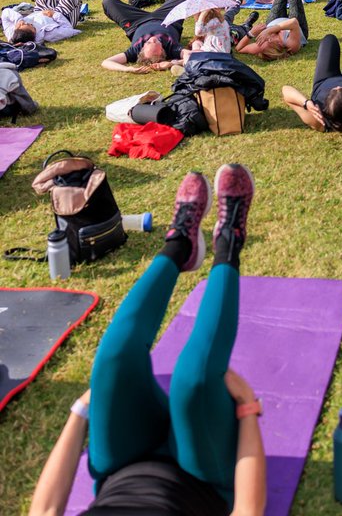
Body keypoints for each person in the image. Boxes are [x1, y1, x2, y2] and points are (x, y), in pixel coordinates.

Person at [29, 165, 266, 516]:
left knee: (112, 359)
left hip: (120, 466)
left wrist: (80, 412)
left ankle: (179, 245)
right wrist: (247, 409)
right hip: (204, 477)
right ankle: (229, 241)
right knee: (193, 377)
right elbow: (248, 512)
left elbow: (45, 511)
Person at [101, 0, 196, 71]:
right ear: (163, 50)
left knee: (108, 1)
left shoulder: (135, 50)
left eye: (148, 42)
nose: (153, 38)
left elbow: (106, 62)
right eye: (157, 42)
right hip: (167, 18)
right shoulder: (172, 48)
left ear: (142, 49)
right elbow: (191, 56)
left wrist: (128, 69)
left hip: (136, 22)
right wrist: (172, 63)